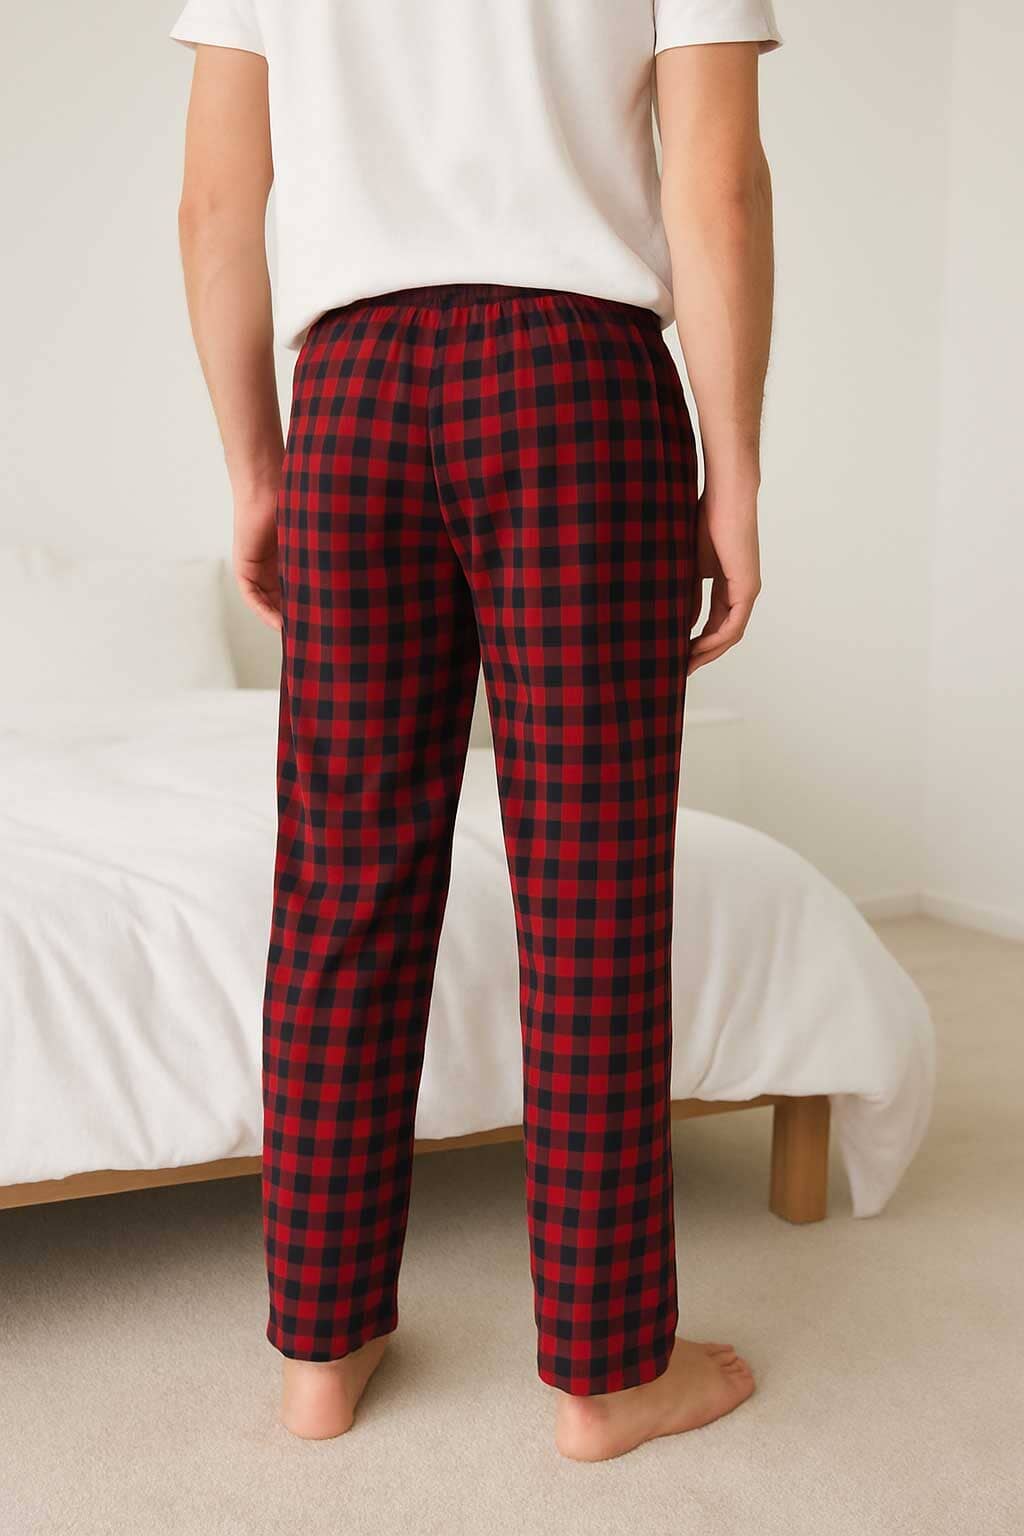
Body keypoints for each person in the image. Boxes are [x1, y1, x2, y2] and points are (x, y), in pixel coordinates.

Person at [171, 0, 781, 1462]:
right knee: (592, 890)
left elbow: (214, 207)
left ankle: (321, 1350)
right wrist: (738, 473)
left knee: (344, 882)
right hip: (581, 385)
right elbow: (714, 182)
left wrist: (259, 466)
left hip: (354, 395)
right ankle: (607, 1374)